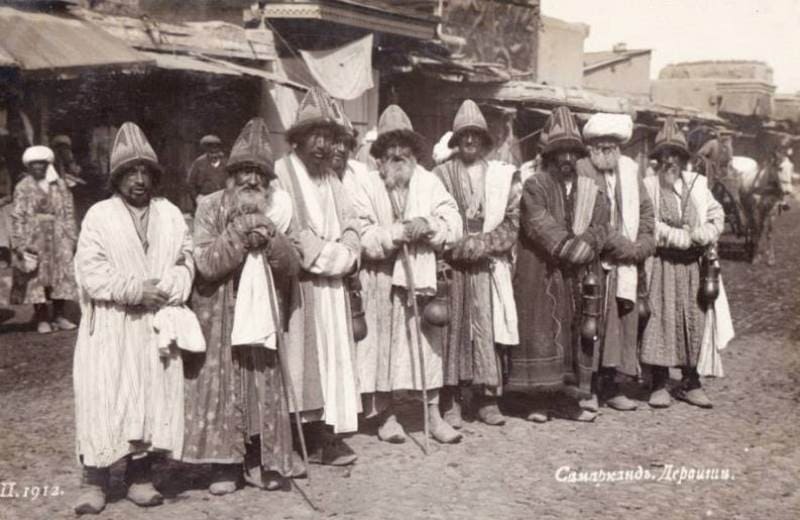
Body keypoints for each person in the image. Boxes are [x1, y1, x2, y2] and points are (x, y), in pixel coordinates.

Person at [72, 122, 199, 514]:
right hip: (111, 323)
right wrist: (132, 289)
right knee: (103, 397)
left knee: (149, 398)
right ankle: (95, 480)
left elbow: (186, 258)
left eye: (146, 172)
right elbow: (90, 271)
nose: (140, 180)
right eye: (131, 172)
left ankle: (139, 477)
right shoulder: (99, 215)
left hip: (153, 323)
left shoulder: (171, 214)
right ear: (118, 178)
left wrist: (172, 284)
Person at [183, 118, 301, 494]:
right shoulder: (208, 208)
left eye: (259, 175)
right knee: (222, 388)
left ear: (268, 182)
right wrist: (237, 232)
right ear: (230, 176)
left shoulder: (278, 211)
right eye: (243, 173)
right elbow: (205, 263)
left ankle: (262, 459)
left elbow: (293, 264)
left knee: (260, 387)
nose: (251, 180)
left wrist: (270, 238)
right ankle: (225, 465)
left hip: (262, 314)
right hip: (218, 316)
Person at [349, 104, 463, 444]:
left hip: (422, 275)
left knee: (428, 348)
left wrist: (427, 226)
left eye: (404, 150)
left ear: (414, 154)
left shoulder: (430, 183)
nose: (397, 156)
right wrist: (397, 233)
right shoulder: (365, 186)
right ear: (380, 156)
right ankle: (387, 416)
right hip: (381, 280)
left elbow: (453, 224)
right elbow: (362, 234)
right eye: (390, 150)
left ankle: (433, 415)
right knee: (382, 349)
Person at [273, 87, 361, 467]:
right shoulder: (282, 173)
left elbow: (352, 222)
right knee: (300, 360)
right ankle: (298, 435)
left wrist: (349, 252)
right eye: (315, 136)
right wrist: (333, 256)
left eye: (328, 137)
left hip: (333, 286)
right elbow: (291, 232)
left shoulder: (332, 179)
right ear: (298, 139)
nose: (323, 146)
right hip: (301, 286)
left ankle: (325, 431)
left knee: (332, 359)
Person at [507, 106, 609, 422]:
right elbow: (537, 223)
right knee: (540, 333)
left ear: (578, 155)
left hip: (577, 273)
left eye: (571, 153)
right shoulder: (535, 184)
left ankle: (570, 400)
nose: (566, 159)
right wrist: (567, 247)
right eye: (559, 152)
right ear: (549, 155)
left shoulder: (590, 188)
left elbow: (602, 224)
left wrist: (588, 244)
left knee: (574, 332)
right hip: (540, 270)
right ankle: (536, 401)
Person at [433, 100, 521, 428]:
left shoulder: (500, 176)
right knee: (453, 330)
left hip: (488, 264)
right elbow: (432, 217)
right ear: (456, 140)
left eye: (475, 136)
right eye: (464, 136)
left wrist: (483, 243)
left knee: (489, 327)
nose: (470, 141)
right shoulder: (439, 175)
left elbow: (513, 220)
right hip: (452, 264)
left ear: (484, 140)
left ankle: (487, 398)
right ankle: (451, 399)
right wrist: (456, 245)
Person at [641, 117, 731, 409]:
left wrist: (702, 235)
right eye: (665, 156)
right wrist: (677, 237)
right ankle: (659, 383)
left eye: (675, 155)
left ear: (683, 159)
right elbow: (648, 223)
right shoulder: (649, 186)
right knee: (661, 320)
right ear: (657, 160)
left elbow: (716, 216)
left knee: (695, 320)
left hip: (694, 267)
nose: (670, 162)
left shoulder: (697, 184)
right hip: (662, 265)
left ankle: (691, 382)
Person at [576, 113, 656, 412]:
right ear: (592, 145)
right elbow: (586, 217)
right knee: (590, 321)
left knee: (622, 323)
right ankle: (587, 387)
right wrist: (621, 246)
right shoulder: (582, 168)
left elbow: (647, 212)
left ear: (619, 145)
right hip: (594, 260)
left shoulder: (630, 169)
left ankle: (612, 385)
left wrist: (644, 244)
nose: (606, 148)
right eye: (600, 143)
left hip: (627, 263)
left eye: (612, 143)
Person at [10, 145, 79, 333]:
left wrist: (72, 238)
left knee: (61, 275)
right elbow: (17, 215)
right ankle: (42, 318)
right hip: (33, 235)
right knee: (36, 277)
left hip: (58, 234)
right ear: (28, 166)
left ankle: (59, 315)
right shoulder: (23, 186)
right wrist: (19, 243)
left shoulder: (59, 185)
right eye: (34, 164)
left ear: (48, 164)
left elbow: (68, 211)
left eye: (41, 163)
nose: (38, 167)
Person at [187, 134, 227, 212]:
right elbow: (190, 183)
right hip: (205, 200)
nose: (214, 156)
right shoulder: (199, 163)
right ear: (207, 152)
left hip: (223, 201)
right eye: (211, 153)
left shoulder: (226, 163)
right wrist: (196, 198)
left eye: (216, 153)